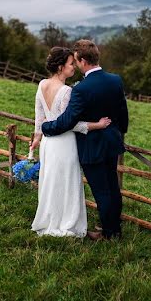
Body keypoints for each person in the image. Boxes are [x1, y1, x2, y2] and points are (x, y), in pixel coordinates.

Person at [42, 40, 129, 240]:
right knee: (113, 188)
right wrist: (119, 132)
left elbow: (67, 120)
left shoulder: (81, 89)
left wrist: (47, 127)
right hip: (112, 142)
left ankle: (108, 234)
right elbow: (123, 112)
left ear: (81, 60)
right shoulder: (115, 80)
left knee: (102, 191)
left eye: (76, 61)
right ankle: (114, 228)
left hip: (92, 146)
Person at [30, 47, 110, 237]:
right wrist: (97, 125)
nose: (73, 67)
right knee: (66, 183)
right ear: (60, 67)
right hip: (64, 143)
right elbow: (69, 124)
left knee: (51, 181)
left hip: (48, 144)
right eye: (70, 64)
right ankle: (66, 222)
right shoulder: (66, 91)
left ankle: (50, 219)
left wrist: (37, 137)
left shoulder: (42, 84)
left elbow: (39, 116)